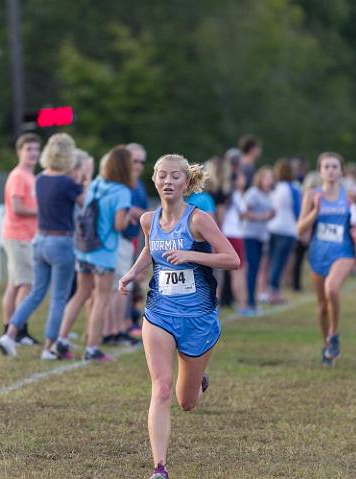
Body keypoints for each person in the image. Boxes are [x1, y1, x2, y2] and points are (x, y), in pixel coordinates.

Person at [117, 154, 240, 479]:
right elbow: (150, 247)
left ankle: (198, 381)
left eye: (175, 176)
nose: (168, 181)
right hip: (159, 313)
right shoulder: (148, 219)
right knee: (161, 388)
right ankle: (159, 467)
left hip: (198, 317)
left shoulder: (199, 220)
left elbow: (232, 259)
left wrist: (191, 254)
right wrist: (131, 274)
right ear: (155, 180)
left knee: (186, 401)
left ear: (186, 182)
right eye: (162, 176)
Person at [0, 133, 85, 359]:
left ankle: (10, 333)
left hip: (39, 240)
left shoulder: (40, 179)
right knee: (58, 297)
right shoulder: (67, 182)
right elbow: (85, 202)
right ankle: (49, 348)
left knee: (35, 292)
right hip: (60, 241)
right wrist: (83, 177)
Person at [52, 145, 140, 362]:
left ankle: (60, 340)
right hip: (105, 252)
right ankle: (92, 348)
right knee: (101, 298)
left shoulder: (97, 184)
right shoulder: (122, 192)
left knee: (81, 294)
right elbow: (119, 225)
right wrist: (129, 215)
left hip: (85, 249)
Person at [297, 152, 356, 366]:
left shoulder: (350, 193)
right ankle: (327, 347)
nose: (331, 171)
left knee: (332, 289)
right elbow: (300, 228)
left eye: (335, 167)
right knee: (322, 306)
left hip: (344, 252)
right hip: (318, 254)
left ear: (341, 171)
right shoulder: (312, 195)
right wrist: (316, 212)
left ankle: (333, 334)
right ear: (320, 171)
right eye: (326, 167)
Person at [104, 142, 148, 345]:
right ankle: (114, 331)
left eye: (142, 161)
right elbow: (122, 211)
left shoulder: (136, 184)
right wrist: (144, 215)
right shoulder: (122, 185)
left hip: (129, 240)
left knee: (120, 288)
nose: (138, 165)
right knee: (118, 288)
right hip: (118, 239)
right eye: (134, 160)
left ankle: (120, 327)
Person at [1, 133, 41, 344]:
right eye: (29, 149)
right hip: (18, 235)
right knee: (26, 284)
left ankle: (10, 328)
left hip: (25, 236)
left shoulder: (30, 176)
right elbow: (17, 207)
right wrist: (42, 211)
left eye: (36, 149)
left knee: (16, 284)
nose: (33, 153)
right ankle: (18, 331)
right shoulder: (18, 176)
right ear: (19, 152)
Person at [241, 166, 275, 314]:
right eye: (267, 177)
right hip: (250, 235)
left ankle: (252, 300)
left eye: (271, 178)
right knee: (252, 269)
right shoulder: (253, 193)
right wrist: (262, 216)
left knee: (257, 269)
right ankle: (250, 302)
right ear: (260, 179)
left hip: (262, 235)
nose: (269, 180)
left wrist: (271, 215)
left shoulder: (269, 194)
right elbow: (243, 213)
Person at [266, 159, 298, 304]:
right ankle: (274, 293)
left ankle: (270, 290)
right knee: (279, 262)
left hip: (272, 227)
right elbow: (297, 209)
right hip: (287, 229)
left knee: (272, 261)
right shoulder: (293, 188)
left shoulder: (275, 188)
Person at [220, 172, 249, 314]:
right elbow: (244, 214)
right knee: (238, 272)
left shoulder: (230, 195)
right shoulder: (236, 194)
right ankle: (242, 305)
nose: (244, 178)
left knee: (228, 273)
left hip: (227, 235)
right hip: (235, 236)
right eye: (241, 176)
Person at [290, 172, 322, 292]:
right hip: (306, 229)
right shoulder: (309, 196)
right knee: (300, 259)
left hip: (309, 229)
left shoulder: (303, 195)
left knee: (299, 259)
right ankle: (296, 285)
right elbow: (304, 217)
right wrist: (305, 233)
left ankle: (296, 284)